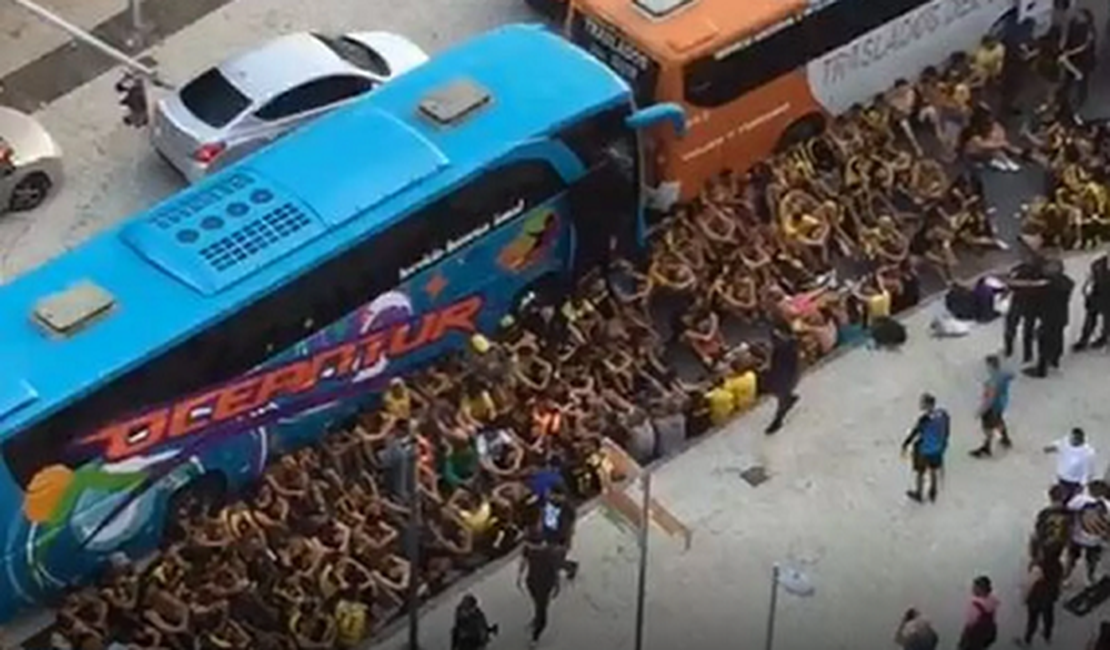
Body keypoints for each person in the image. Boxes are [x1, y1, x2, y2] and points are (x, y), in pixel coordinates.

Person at [1025, 258, 1074, 379]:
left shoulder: (1051, 284)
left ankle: (1041, 369)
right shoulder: (1064, 281)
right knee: (1056, 337)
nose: (1046, 269)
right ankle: (1054, 360)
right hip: (1060, 316)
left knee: (1045, 340)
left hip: (1050, 316)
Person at [901, 393, 950, 503]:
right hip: (938, 448)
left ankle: (919, 493)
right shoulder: (943, 414)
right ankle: (933, 490)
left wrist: (905, 444)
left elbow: (916, 432)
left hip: (924, 449)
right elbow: (946, 430)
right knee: (933, 468)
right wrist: (944, 443)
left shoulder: (924, 420)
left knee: (920, 471)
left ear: (927, 405)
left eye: (923, 403)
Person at [518, 533, 563, 649]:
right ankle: (537, 617)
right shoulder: (528, 549)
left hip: (544, 584)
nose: (526, 546)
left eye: (529, 544)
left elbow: (555, 572)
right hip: (532, 581)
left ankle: (535, 636)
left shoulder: (550, 554)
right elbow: (523, 561)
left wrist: (557, 585)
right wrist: (519, 575)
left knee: (542, 610)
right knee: (538, 604)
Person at [1004, 256, 1048, 363]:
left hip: (1022, 301)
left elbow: (1010, 283)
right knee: (1026, 328)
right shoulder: (1041, 269)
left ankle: (1010, 349)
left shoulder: (1019, 269)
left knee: (1013, 325)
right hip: (1030, 303)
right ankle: (1026, 354)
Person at [1017, 547, 1063, 647]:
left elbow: (1029, 584)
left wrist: (1024, 598)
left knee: (1032, 620)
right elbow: (1059, 582)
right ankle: (1047, 635)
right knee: (1048, 616)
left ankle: (1027, 640)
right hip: (1050, 596)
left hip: (1037, 597)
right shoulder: (1058, 565)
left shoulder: (1038, 567)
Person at [764, 316, 801, 435]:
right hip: (781, 366)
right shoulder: (786, 339)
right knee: (780, 390)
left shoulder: (788, 341)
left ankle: (778, 419)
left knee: (782, 392)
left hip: (785, 368)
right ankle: (788, 399)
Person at [971, 355, 1013, 458]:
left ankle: (987, 447)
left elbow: (990, 399)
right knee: (998, 420)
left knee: (987, 427)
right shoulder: (1002, 376)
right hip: (1002, 404)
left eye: (987, 365)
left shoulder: (992, 382)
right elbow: (1011, 375)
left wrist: (980, 411)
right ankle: (1005, 438)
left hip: (993, 406)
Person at [1044, 427, 1096, 503]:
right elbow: (1057, 445)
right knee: (1058, 498)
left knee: (1071, 501)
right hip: (1061, 477)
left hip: (1074, 483)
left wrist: (1083, 484)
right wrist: (1049, 448)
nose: (1073, 440)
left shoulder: (1088, 452)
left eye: (1076, 439)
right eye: (1072, 438)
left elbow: (1088, 470)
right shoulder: (1065, 442)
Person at [1075, 254, 1110, 351]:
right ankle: (1085, 339)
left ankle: (1103, 337)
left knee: (1106, 320)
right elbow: (1090, 280)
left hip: (1102, 296)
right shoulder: (1097, 264)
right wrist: (1087, 293)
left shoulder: (1097, 264)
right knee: (1091, 318)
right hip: (1097, 295)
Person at [958, 576, 999, 650]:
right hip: (988, 630)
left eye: (975, 587)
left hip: (974, 633)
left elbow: (970, 621)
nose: (972, 589)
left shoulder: (975, 604)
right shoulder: (992, 600)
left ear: (981, 589)